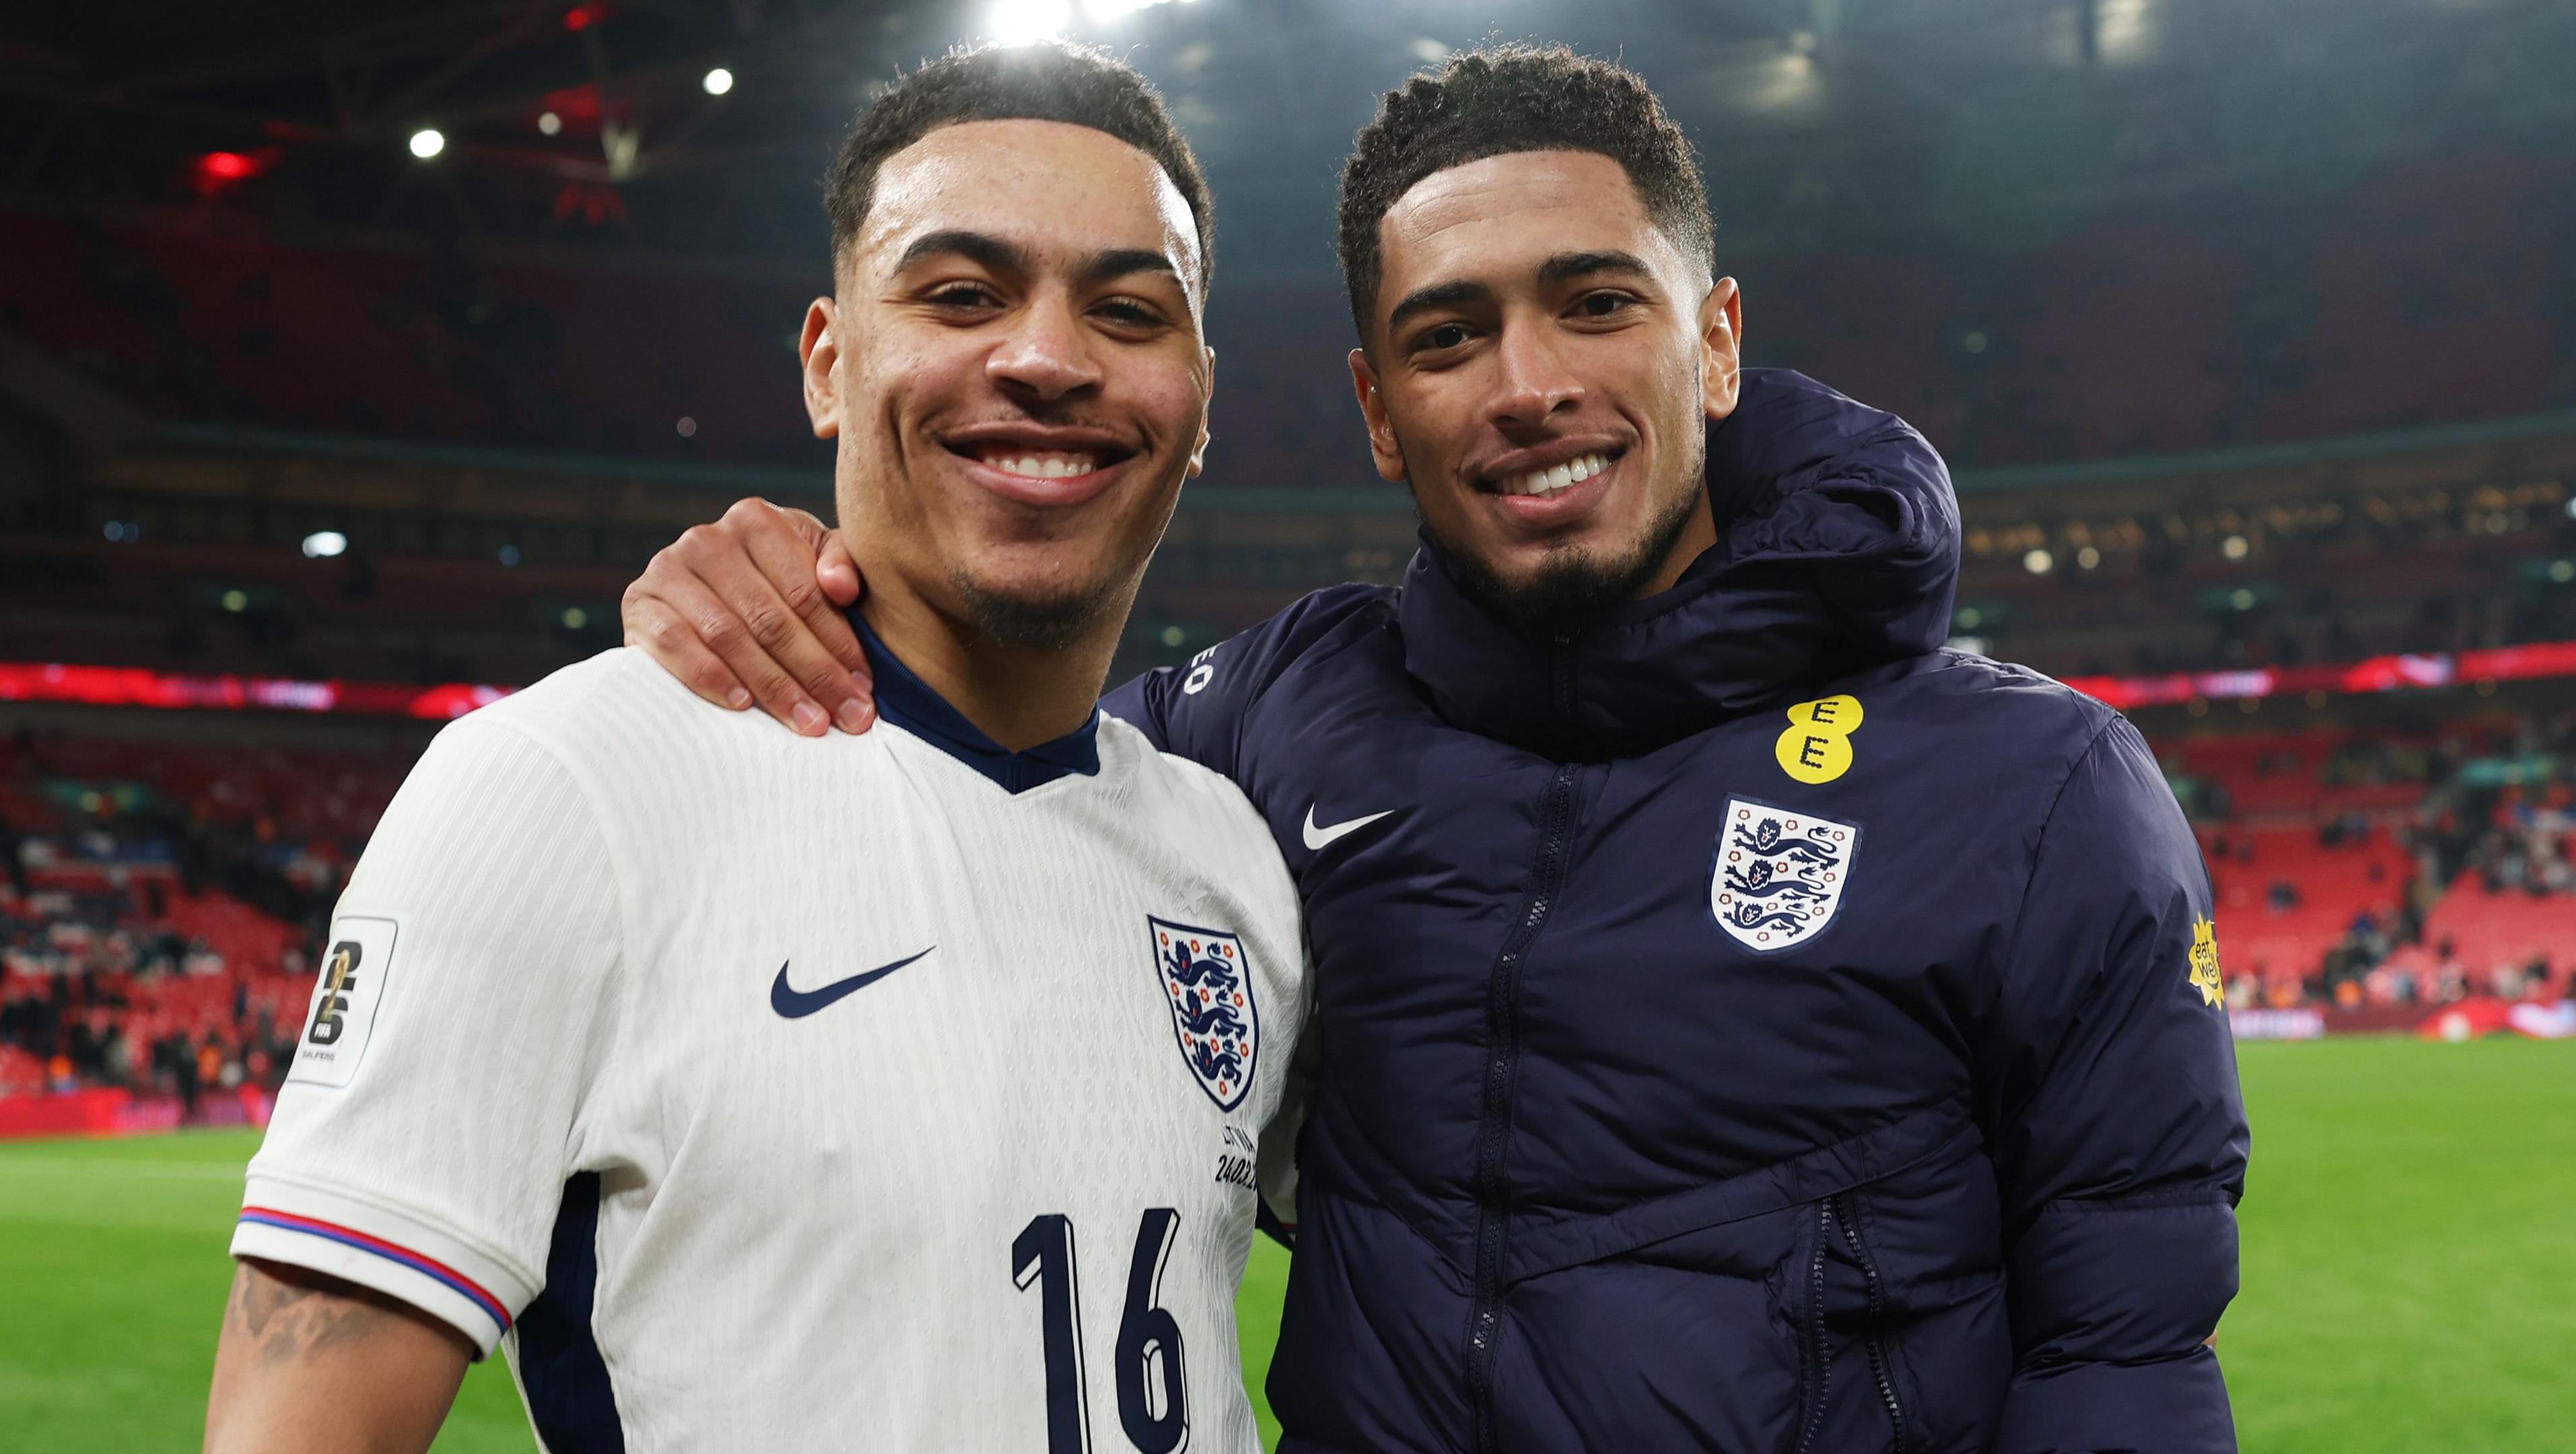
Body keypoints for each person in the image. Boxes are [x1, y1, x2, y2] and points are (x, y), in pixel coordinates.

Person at [627, 44, 2249, 1454]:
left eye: (1596, 305)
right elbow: (979, 750)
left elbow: (2127, 1364)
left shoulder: (2035, 794)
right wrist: (790, 583)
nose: (1529, 386)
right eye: (1449, 335)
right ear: (1377, 408)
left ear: (1716, 342)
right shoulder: (1267, 721)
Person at [203, 44, 1308, 1454]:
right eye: (961, 295)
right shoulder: (564, 788)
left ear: (1201, 401)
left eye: (1130, 310)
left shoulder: (1234, 858)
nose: (1044, 357)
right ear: (830, 365)